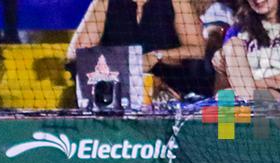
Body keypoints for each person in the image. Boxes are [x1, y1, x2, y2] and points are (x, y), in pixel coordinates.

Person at [67, 0, 208, 95]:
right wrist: (129, 62)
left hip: (169, 86)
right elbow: (75, 53)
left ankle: (224, 132)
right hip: (117, 86)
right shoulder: (105, 2)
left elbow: (200, 49)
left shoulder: (176, 2)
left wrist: (156, 56)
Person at [214, 0, 280, 101]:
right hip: (240, 97)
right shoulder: (236, 31)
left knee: (230, 97)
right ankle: (245, 104)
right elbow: (222, 85)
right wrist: (221, 69)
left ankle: (247, 102)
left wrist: (247, 85)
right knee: (223, 98)